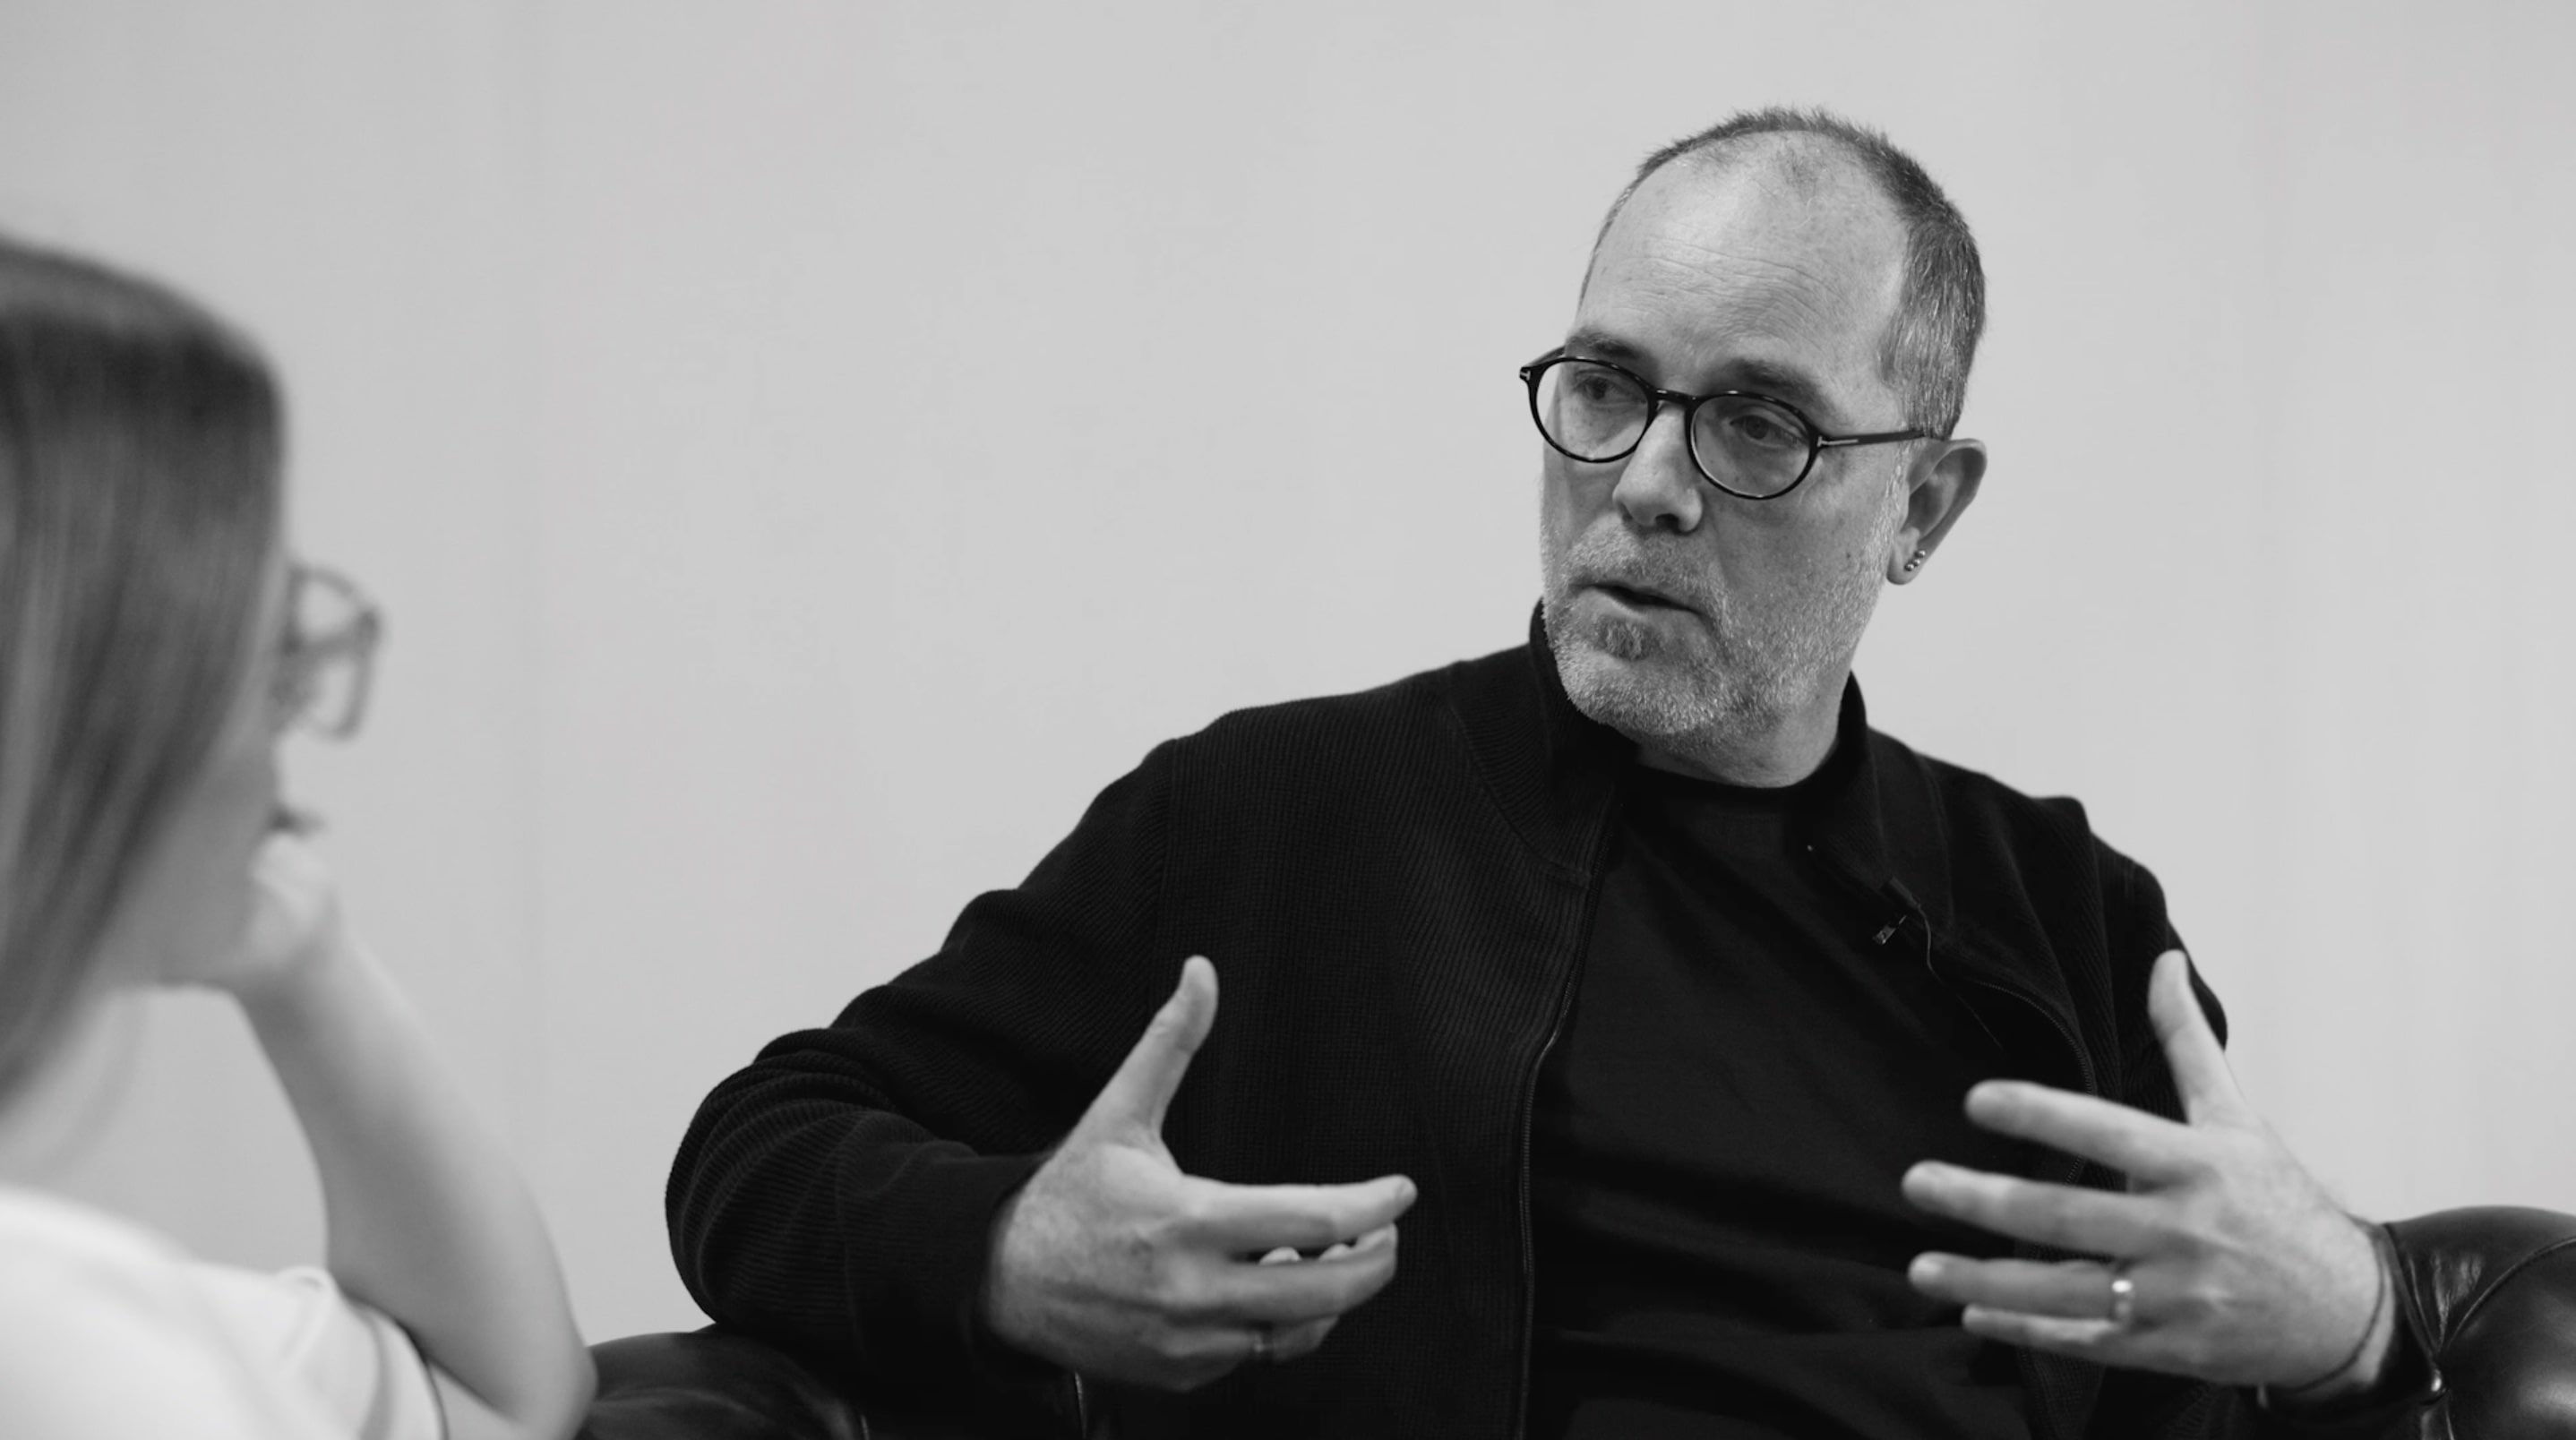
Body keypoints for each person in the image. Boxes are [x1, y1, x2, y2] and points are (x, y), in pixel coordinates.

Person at [666, 108, 2438, 1437]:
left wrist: (2354, 1326)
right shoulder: (1282, 820)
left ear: (1920, 507)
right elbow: (759, 1148)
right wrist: (1000, 1252)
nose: (1645, 483)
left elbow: (2191, 1389)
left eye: (1756, 424)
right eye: (1605, 387)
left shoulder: (2060, 919)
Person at [0, 237, 593, 1439]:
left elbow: (491, 1391)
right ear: (89, 710)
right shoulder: (63, 1342)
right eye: (272, 660)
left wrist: (301, 957)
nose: (287, 743)